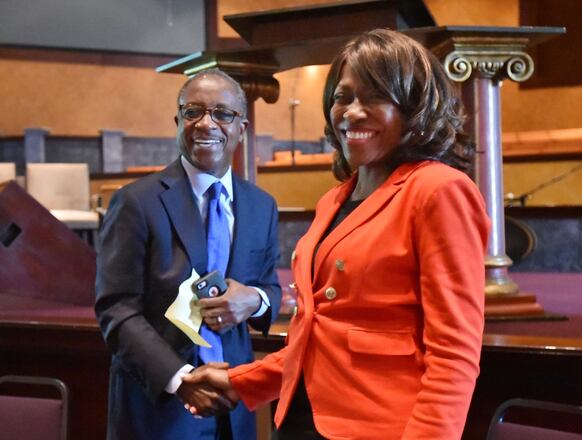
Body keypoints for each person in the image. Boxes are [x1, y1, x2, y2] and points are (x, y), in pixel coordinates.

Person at [182, 29, 490, 440]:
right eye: (343, 97)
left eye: (375, 96)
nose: (351, 112)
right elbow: (321, 336)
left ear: (415, 107)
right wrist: (242, 381)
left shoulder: (438, 190)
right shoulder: (335, 200)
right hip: (299, 421)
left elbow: (454, 355)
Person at [95, 68, 282, 440]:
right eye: (193, 112)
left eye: (222, 114)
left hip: (233, 403)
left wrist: (256, 301)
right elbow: (116, 309)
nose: (206, 124)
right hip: (160, 408)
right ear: (178, 121)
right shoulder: (136, 202)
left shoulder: (262, 206)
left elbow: (270, 289)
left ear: (241, 129)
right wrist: (180, 380)